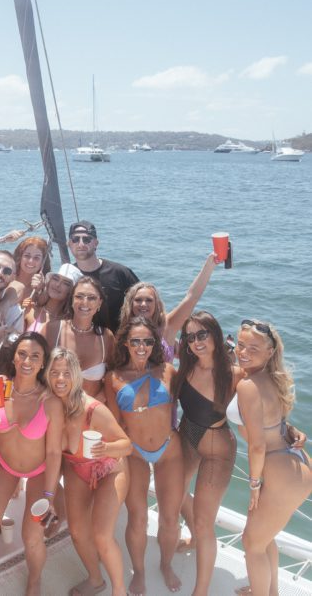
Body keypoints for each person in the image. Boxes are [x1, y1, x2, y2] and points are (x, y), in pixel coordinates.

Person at [226, 319, 311, 596]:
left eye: (253, 348)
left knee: (251, 544)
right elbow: (277, 422)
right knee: (263, 540)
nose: (243, 352)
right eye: (240, 345)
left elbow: (258, 446)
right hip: (296, 462)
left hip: (279, 470)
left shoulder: (249, 386)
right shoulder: (272, 376)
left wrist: (253, 484)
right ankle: (268, 591)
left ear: (270, 351)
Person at [0, 332, 64, 596]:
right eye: (22, 354)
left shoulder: (50, 402)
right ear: (13, 356)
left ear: (43, 362)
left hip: (38, 470)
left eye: (35, 356)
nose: (27, 360)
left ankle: (34, 579)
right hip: (5, 463)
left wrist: (48, 495)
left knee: (32, 536)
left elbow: (55, 452)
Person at [104, 316, 183, 596]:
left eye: (147, 341)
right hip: (134, 453)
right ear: (125, 343)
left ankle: (166, 563)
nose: (141, 346)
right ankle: (139, 571)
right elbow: (112, 423)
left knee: (170, 517)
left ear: (154, 344)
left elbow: (200, 399)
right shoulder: (112, 378)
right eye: (135, 341)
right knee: (138, 518)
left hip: (169, 452)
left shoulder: (168, 371)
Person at [47, 347, 131, 596]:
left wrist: (106, 447)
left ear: (77, 377)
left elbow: (126, 445)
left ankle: (119, 590)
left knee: (101, 535)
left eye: (66, 373)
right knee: (77, 533)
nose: (60, 379)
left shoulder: (94, 409)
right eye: (54, 373)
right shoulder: (49, 408)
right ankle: (96, 580)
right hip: (76, 468)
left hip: (110, 469)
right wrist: (49, 497)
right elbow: (51, 455)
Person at [171, 311, 241, 596]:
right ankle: (194, 540)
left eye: (202, 334)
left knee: (204, 522)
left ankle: (200, 590)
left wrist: (288, 432)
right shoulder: (185, 368)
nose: (197, 341)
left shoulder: (234, 374)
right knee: (173, 495)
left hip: (217, 448)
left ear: (214, 334)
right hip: (188, 435)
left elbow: (265, 402)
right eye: (190, 337)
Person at [118, 253, 219, 362]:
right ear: (130, 304)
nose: (143, 304)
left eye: (149, 300)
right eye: (138, 300)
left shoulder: (168, 324)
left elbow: (191, 297)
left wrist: (210, 265)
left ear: (157, 305)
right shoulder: (123, 330)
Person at [43, 276, 114, 402]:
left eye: (91, 298)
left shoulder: (106, 337)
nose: (84, 302)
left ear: (99, 303)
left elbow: (115, 376)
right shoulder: (52, 330)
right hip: (54, 411)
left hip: (90, 413)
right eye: (79, 296)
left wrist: (95, 405)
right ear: (71, 300)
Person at [67, 220, 138, 332]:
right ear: (69, 244)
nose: (81, 244)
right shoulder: (67, 275)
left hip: (114, 344)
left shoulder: (120, 272)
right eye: (75, 239)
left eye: (87, 239)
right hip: (79, 343)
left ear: (96, 243)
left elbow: (144, 300)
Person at [25, 263, 80, 332]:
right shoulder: (31, 310)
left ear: (71, 291)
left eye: (65, 283)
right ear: (49, 281)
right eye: (56, 279)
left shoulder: (71, 324)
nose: (58, 284)